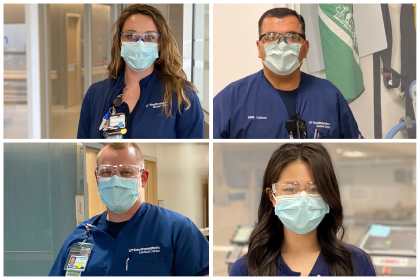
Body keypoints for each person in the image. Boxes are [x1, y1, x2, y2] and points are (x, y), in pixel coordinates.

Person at [49, 143, 209, 276]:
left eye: (126, 172)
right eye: (106, 172)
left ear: (143, 178)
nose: (115, 180)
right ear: (97, 178)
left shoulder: (177, 231)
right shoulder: (79, 237)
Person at [213, 8, 363, 139]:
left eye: (292, 37)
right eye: (271, 37)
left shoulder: (330, 96)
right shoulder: (230, 100)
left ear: (305, 48)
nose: (282, 46)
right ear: (259, 48)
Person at [230, 143, 376, 276]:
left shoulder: (357, 263)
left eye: (314, 189)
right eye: (290, 189)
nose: (302, 199)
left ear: (328, 195)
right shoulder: (246, 270)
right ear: (272, 197)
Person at [77, 5, 204, 139]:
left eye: (149, 37)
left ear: (160, 44)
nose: (140, 43)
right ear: (120, 42)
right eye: (131, 35)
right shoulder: (95, 93)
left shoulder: (183, 96)